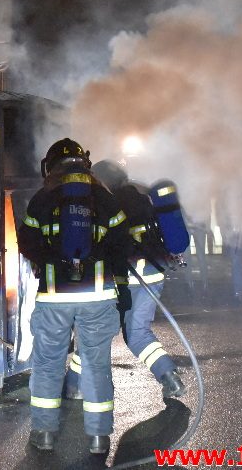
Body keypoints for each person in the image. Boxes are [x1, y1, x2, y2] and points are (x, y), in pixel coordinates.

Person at [17, 138, 129, 454]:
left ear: (49, 166)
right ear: (86, 165)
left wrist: (49, 260)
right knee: (96, 364)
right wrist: (120, 286)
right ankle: (98, 438)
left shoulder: (42, 198)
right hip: (98, 296)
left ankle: (45, 433)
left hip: (54, 296)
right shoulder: (103, 198)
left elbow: (26, 241)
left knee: (49, 364)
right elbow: (122, 243)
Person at [64, 160, 186, 402]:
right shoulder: (141, 194)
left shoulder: (107, 202)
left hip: (122, 279)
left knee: (95, 332)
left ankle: (73, 385)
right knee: (138, 333)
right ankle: (169, 377)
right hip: (152, 274)